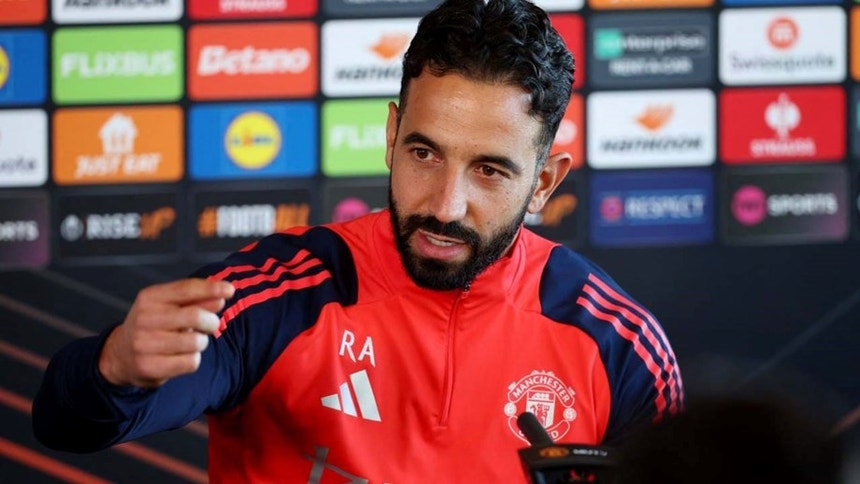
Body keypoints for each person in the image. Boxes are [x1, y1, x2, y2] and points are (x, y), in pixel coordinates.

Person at [32, 0, 684, 481]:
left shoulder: (618, 347)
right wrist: (115, 368)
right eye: (425, 153)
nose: (445, 205)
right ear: (392, 135)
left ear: (543, 182)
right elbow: (68, 424)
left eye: (489, 170)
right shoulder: (278, 295)